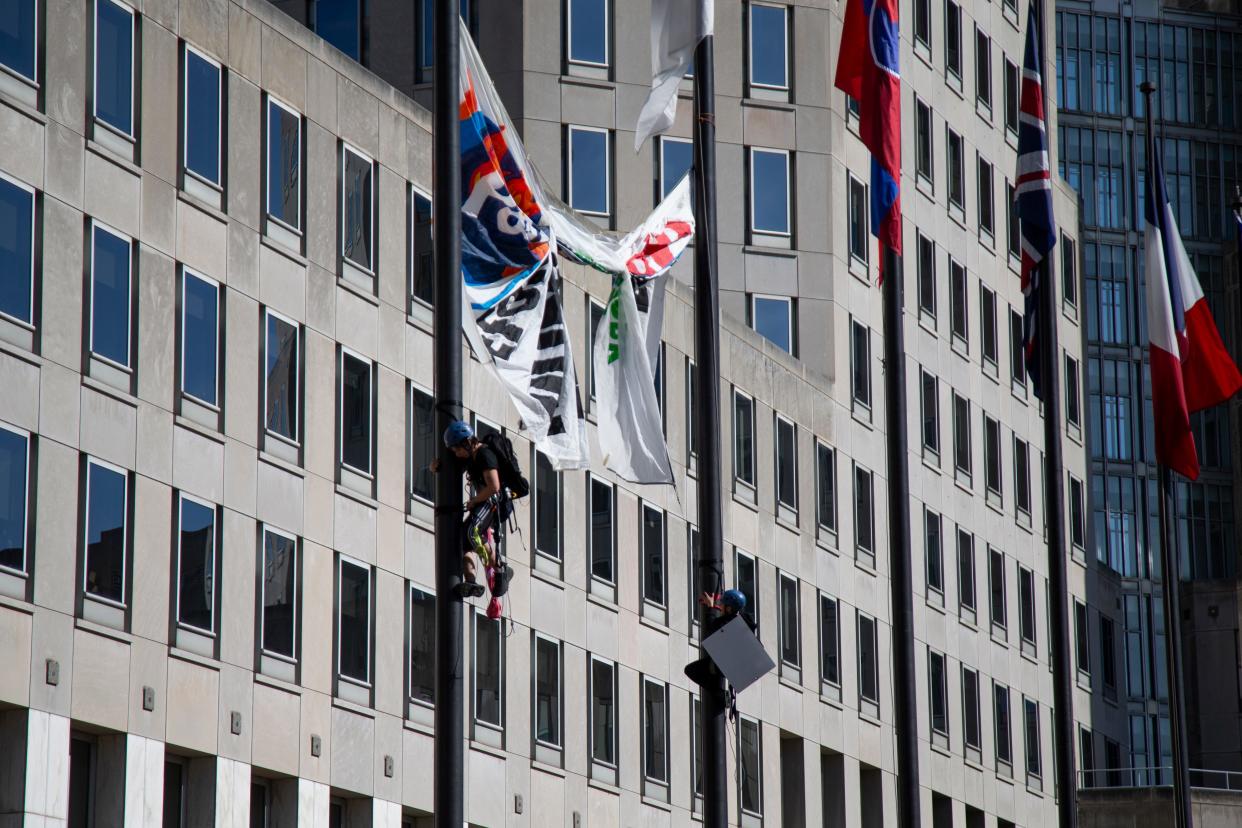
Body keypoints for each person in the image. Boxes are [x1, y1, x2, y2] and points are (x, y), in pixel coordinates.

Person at [431, 420, 514, 600]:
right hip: (483, 502)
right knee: (463, 539)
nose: (456, 453)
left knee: (471, 531)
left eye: (456, 449)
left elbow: (494, 486)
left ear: (466, 443)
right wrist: (436, 467)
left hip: (493, 502)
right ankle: (470, 580)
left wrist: (475, 500)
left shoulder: (484, 454)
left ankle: (500, 567)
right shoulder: (471, 457)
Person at [684, 589, 757, 690]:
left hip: (729, 665)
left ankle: (719, 695)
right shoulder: (745, 620)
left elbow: (710, 630)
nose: (720, 607)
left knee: (691, 670)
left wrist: (710, 608)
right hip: (744, 666)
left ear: (728, 609)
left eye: (722, 605)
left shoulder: (723, 623)